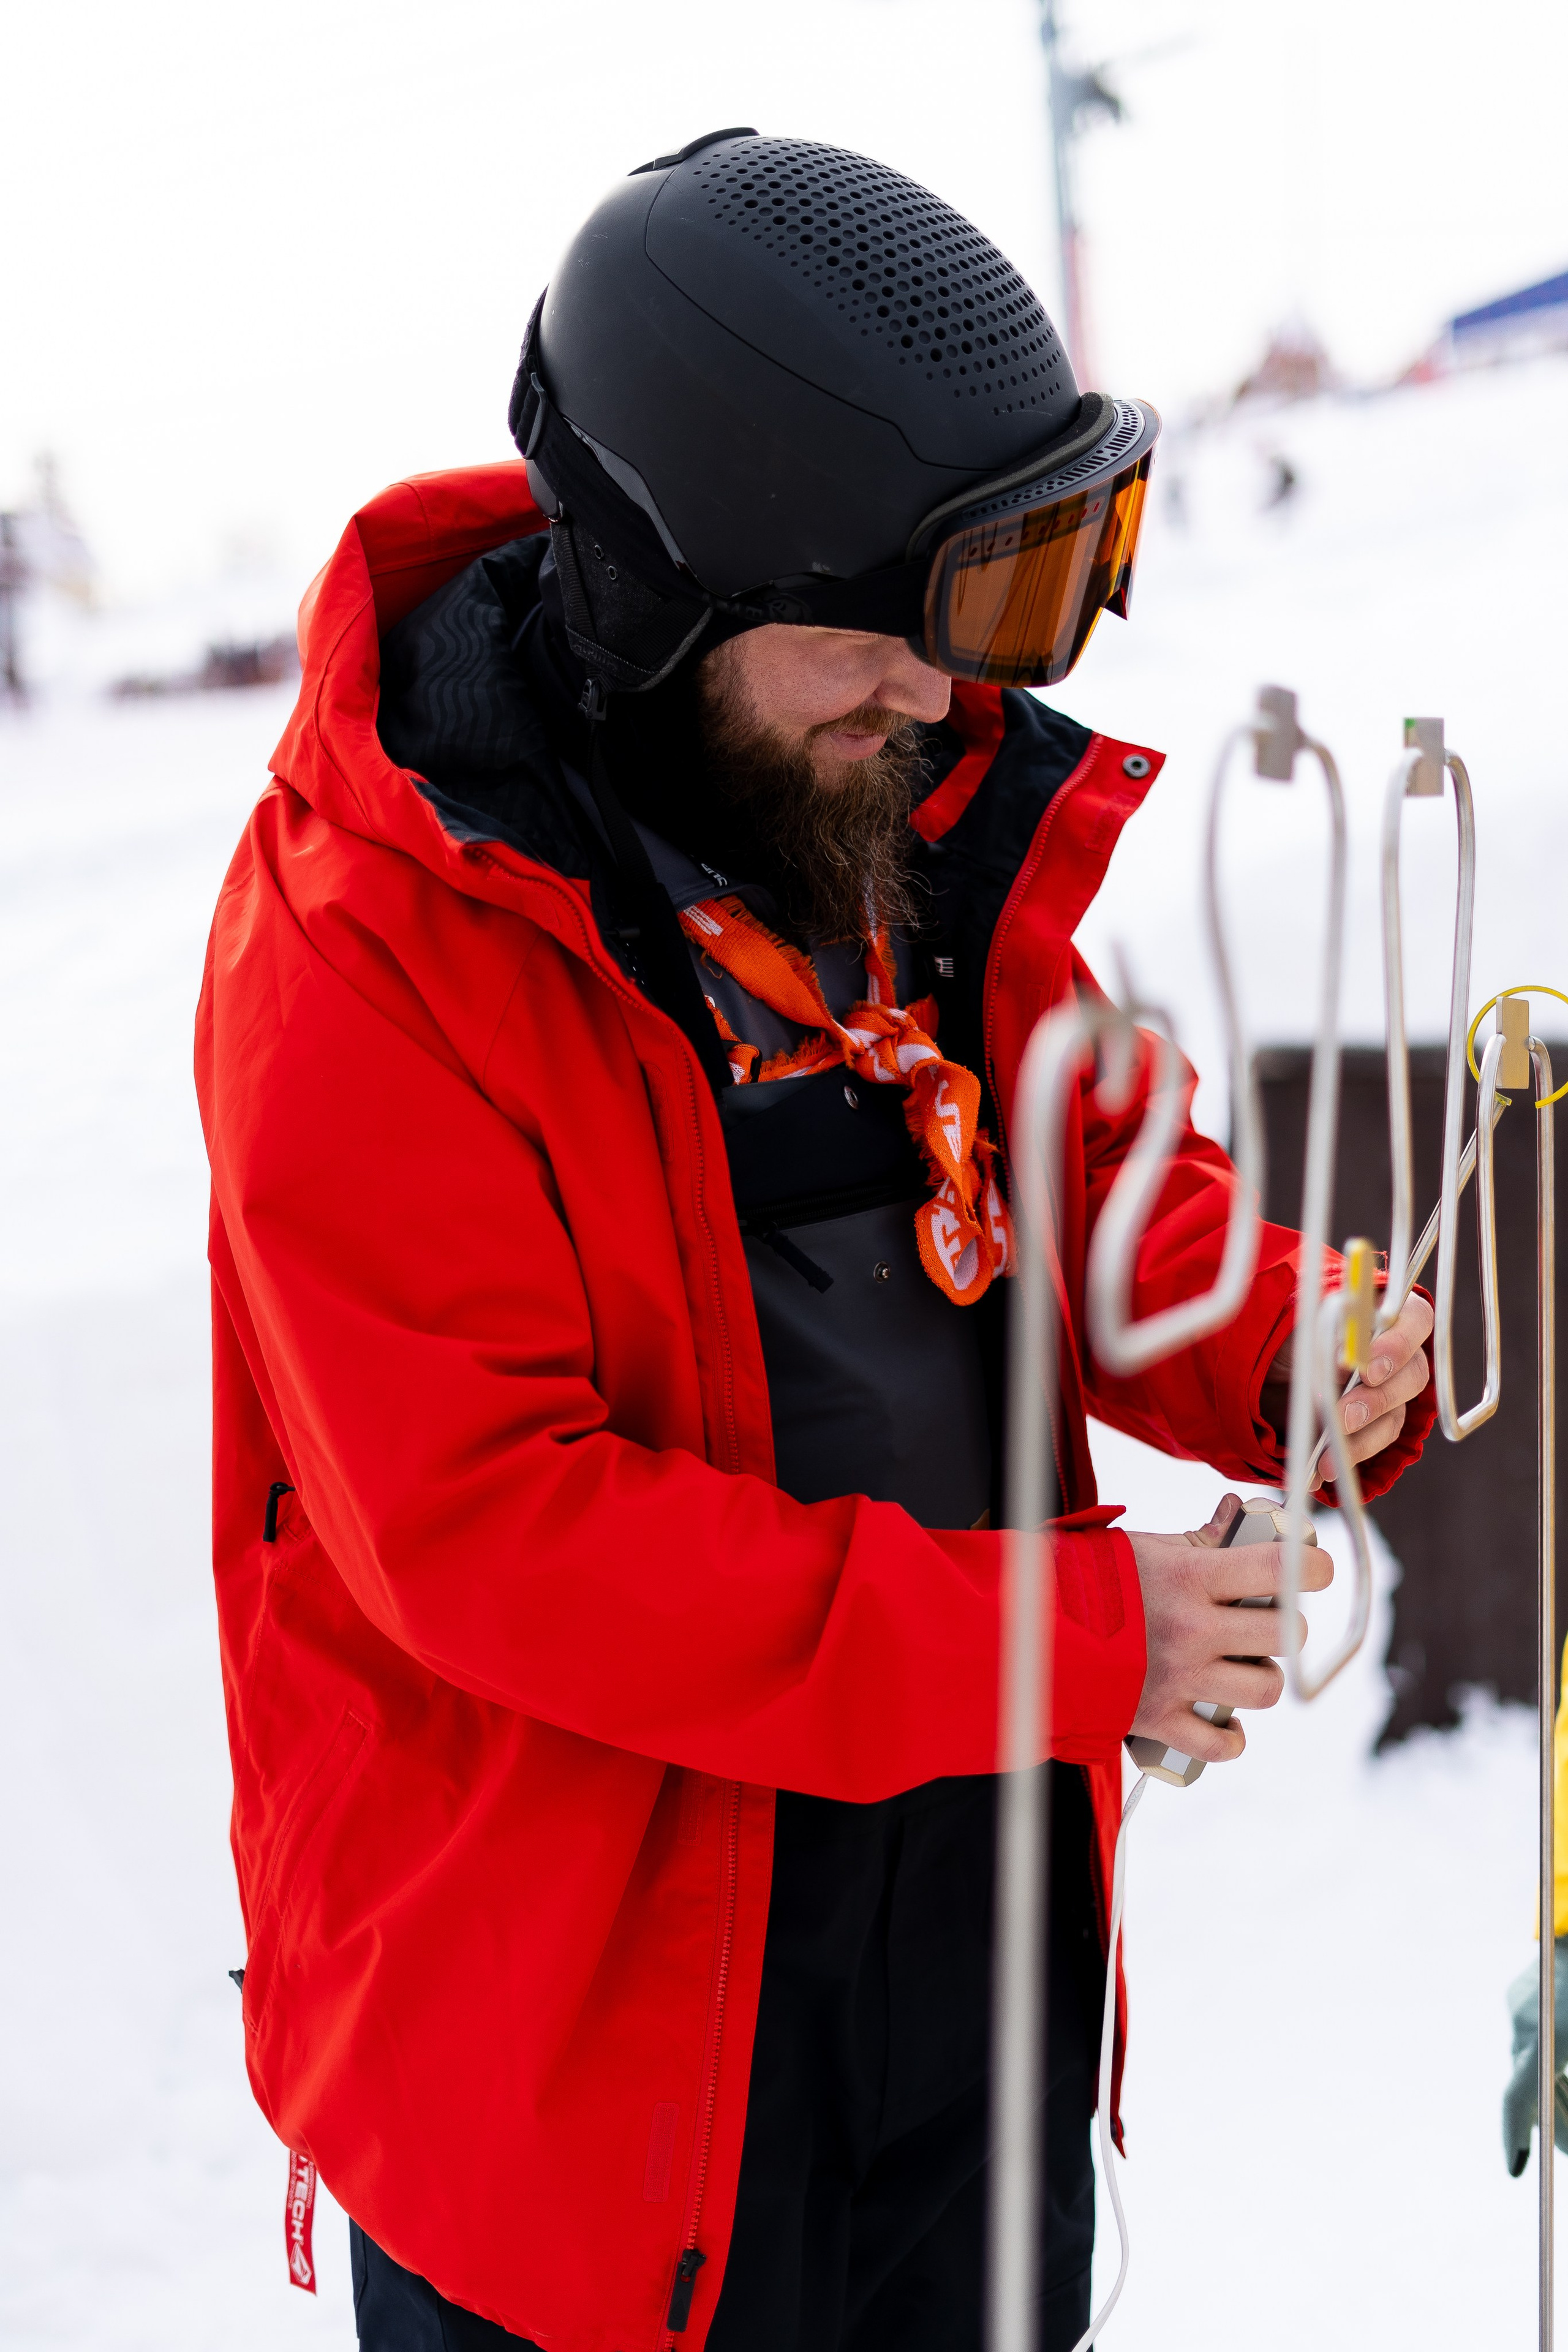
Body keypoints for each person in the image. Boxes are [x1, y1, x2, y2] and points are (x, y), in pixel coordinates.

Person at [196, 131, 1435, 2352]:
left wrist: (1276, 1344)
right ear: (676, 589)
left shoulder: (884, 794)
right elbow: (501, 1536)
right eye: (894, 634)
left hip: (963, 1959)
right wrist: (1074, 1647)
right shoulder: (371, 944)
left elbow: (1080, 1158)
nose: (953, 702)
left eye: (1001, 625)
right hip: (587, 2063)